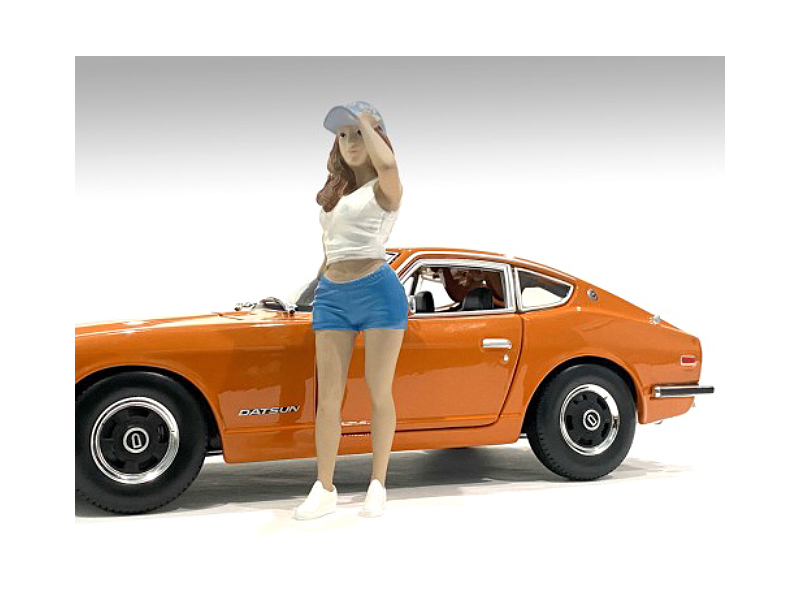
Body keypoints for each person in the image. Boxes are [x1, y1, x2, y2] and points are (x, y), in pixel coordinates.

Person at [293, 101, 407, 519]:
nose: (351, 142)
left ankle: (378, 483)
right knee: (328, 398)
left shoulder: (385, 188)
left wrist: (367, 121)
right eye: (343, 136)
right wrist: (310, 289)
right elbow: (330, 252)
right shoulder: (336, 196)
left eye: (358, 134)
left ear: (377, 137)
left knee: (379, 391)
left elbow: (389, 165)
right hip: (332, 296)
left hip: (378, 293)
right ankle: (324, 487)